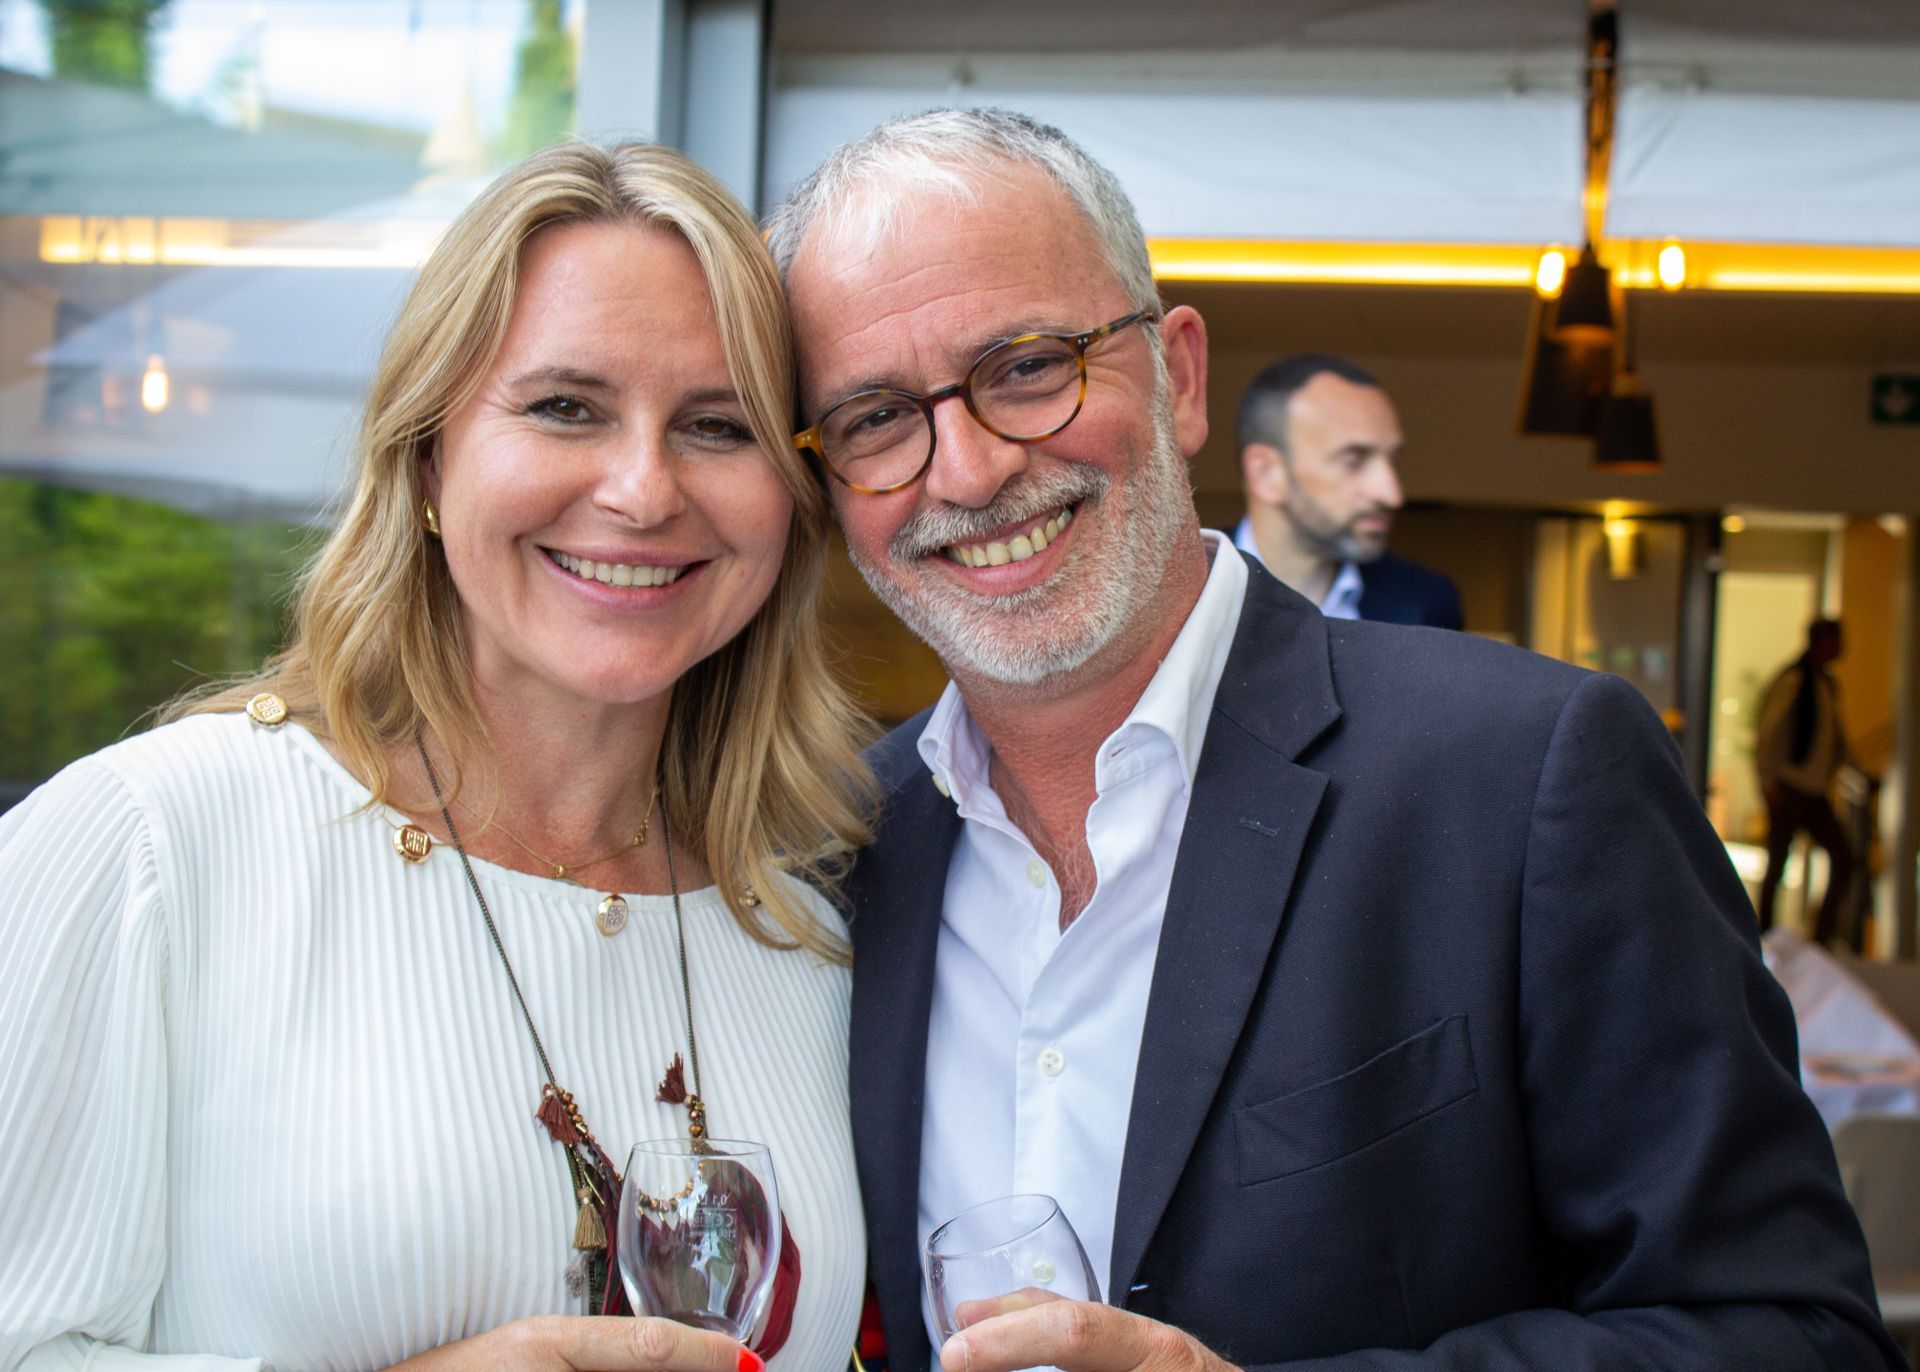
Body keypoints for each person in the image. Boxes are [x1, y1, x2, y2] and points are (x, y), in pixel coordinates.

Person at [766, 108, 1901, 1371]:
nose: (967, 471)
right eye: (875, 418)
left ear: (1178, 375)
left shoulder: (1528, 774)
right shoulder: (833, 855)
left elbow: (1791, 1335)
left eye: (1028, 365)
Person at [0, 142, 874, 1372]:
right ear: (426, 456)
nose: (641, 489)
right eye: (565, 406)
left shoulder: (806, 929)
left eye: (717, 426)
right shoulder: (155, 843)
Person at [1234, 353, 1462, 629]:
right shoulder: (1178, 589)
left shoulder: (1427, 602)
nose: (1392, 494)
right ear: (1267, 473)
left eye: (1393, 460)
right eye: (1354, 461)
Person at [1755, 618, 1856, 944]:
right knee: (1777, 865)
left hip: (1813, 791)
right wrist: (1769, 783)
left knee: (1843, 859)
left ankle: (1821, 938)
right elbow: (1769, 734)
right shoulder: (1796, 680)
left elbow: (1835, 739)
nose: (1842, 648)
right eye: (1837, 640)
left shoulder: (1825, 684)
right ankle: (1763, 935)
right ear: (1822, 642)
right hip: (1790, 787)